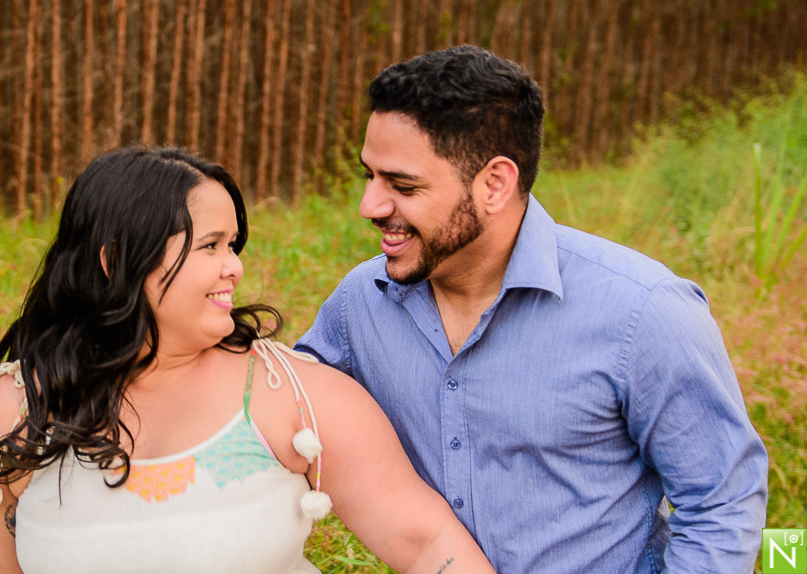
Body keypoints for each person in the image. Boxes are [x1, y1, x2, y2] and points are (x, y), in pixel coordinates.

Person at [296, 46, 769, 574]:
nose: (371, 206)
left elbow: (722, 505)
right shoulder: (361, 302)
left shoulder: (643, 312)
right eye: (371, 177)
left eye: (403, 186)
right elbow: (280, 407)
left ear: (494, 183)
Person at [0, 147, 496, 574]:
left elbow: (427, 546)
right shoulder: (16, 417)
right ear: (116, 260)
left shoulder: (293, 397)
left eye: (233, 245)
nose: (233, 267)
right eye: (209, 245)